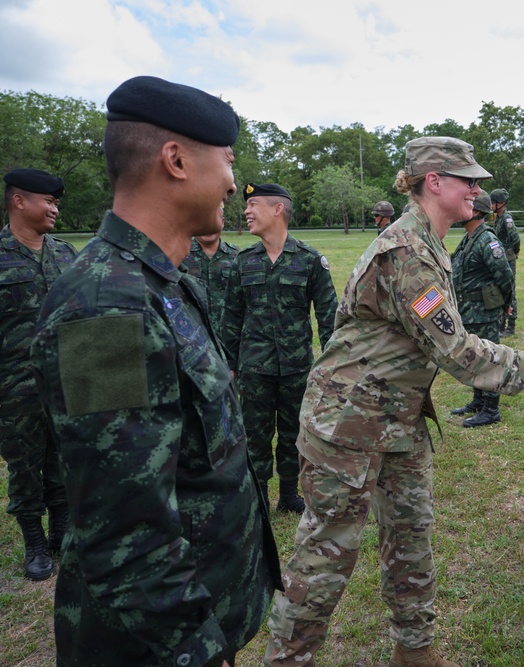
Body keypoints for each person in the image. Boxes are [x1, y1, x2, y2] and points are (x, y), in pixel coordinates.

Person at [264, 137, 524, 667]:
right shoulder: (406, 251)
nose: (478, 191)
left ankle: (415, 652)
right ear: (434, 182)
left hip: (398, 419)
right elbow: (457, 350)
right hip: (349, 425)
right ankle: (286, 660)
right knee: (325, 557)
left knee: (410, 536)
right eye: (469, 180)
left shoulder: (428, 243)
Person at [30, 75, 280, 667]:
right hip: (157, 647)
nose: (230, 181)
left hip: (202, 609)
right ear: (175, 160)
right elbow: (124, 527)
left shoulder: (164, 284)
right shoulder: (103, 308)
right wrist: (194, 649)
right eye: (227, 160)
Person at [223, 183, 338, 513]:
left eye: (253, 204)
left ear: (277, 210)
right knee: (255, 436)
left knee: (293, 433)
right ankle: (257, 497)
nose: (246, 211)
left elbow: (329, 315)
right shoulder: (242, 262)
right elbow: (231, 318)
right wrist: (230, 363)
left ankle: (288, 494)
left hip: (297, 367)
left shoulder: (309, 260)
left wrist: (331, 364)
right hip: (254, 369)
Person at [1, 168, 75, 581]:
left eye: (56, 201)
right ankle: (34, 538)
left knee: (62, 458)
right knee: (25, 465)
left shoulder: (66, 254)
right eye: (47, 201)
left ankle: (61, 532)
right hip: (15, 386)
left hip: (66, 382)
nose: (54, 208)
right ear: (18, 201)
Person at [449, 190, 514, 427]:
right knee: (475, 358)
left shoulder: (487, 239)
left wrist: (504, 305)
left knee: (489, 358)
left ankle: (491, 409)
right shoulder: (469, 237)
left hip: (484, 311)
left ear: (476, 211)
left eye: (466, 204)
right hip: (470, 311)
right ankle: (478, 400)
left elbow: (505, 276)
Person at [183, 231, 240, 335]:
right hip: (192, 334)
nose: (208, 229)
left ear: (221, 223)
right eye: (203, 224)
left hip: (229, 335)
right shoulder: (181, 253)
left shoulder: (237, 255)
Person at [490, 188, 521, 336]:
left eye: (493, 203)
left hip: (508, 258)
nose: (491, 206)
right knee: (501, 290)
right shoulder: (498, 218)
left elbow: (515, 237)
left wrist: (514, 251)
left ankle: (511, 325)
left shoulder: (507, 218)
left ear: (501, 203)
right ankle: (501, 324)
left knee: (510, 291)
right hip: (502, 258)